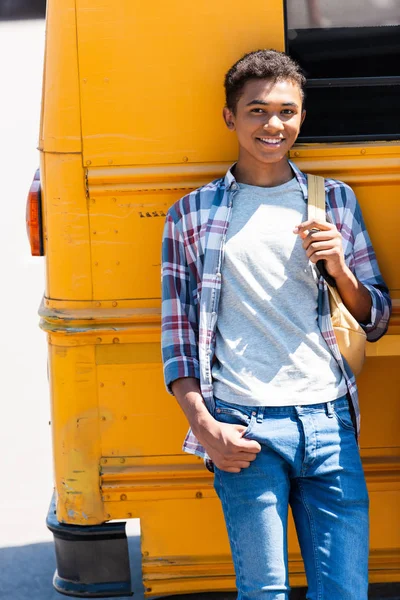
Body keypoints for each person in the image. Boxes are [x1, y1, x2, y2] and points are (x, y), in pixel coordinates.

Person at [161, 49, 391, 600]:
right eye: (257, 110)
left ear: (302, 118)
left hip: (329, 421)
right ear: (230, 118)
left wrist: (338, 266)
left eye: (286, 111)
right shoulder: (191, 214)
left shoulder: (333, 201)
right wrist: (205, 428)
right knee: (263, 592)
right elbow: (177, 340)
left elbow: (375, 318)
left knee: (344, 592)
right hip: (243, 426)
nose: (273, 125)